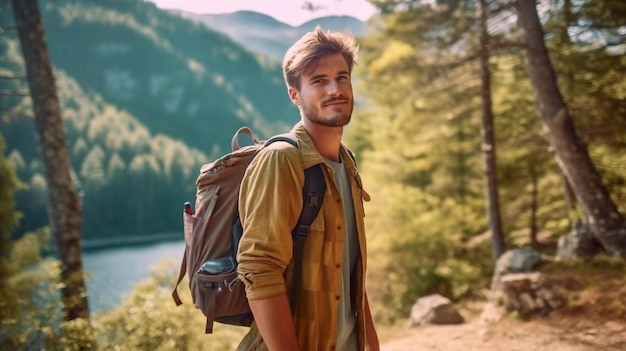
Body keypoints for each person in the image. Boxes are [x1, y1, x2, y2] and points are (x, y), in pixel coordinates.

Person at [236, 26, 380, 351]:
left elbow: (351, 271)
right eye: (319, 81)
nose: (335, 89)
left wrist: (371, 342)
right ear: (295, 95)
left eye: (342, 77)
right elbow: (259, 269)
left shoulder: (347, 162)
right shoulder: (283, 160)